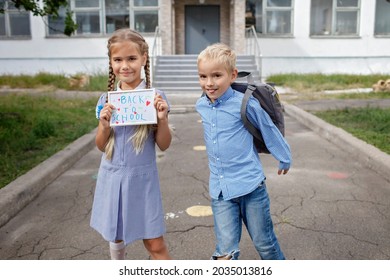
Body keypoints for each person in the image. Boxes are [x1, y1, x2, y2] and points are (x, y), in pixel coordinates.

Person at [196, 43, 291, 260]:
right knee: (225, 251)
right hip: (221, 191)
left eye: (216, 75)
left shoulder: (245, 103)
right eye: (203, 76)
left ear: (232, 75)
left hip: (251, 187)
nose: (209, 83)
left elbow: (268, 130)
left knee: (265, 244)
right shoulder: (200, 105)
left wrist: (284, 157)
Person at [90, 28, 172, 260]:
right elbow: (100, 145)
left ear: (144, 59)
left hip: (142, 179)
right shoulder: (105, 100)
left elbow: (164, 145)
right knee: (116, 237)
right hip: (112, 177)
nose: (124, 66)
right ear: (111, 62)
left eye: (131, 59)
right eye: (118, 60)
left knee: (155, 243)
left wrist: (162, 119)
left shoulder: (156, 97)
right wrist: (104, 126)